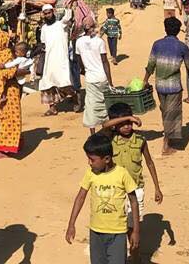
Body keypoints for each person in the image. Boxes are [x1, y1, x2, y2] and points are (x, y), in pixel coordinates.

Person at [64, 133, 140, 264]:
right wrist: (71, 224)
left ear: (106, 159)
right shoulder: (90, 174)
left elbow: (134, 202)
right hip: (96, 232)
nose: (89, 163)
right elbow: (80, 197)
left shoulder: (122, 174)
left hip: (118, 234)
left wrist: (136, 231)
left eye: (92, 160)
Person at [99, 103, 163, 237]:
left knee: (133, 227)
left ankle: (135, 255)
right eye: (123, 124)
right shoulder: (111, 139)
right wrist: (129, 117)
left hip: (136, 188)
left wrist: (157, 188)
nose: (127, 126)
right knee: (117, 223)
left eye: (129, 123)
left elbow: (149, 163)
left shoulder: (140, 140)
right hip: (115, 189)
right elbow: (105, 125)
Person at [143, 17, 189, 155]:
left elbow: (150, 65)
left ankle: (169, 138)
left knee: (165, 111)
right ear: (178, 31)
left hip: (160, 85)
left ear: (165, 29)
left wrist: (145, 81)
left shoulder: (157, 44)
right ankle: (166, 145)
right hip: (173, 86)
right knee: (172, 114)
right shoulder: (182, 47)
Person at [39, 0, 80, 116]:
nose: (47, 15)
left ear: (53, 12)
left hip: (61, 59)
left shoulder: (61, 24)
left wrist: (68, 5)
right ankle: (52, 108)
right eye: (45, 13)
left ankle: (76, 99)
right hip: (49, 61)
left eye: (49, 12)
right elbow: (43, 44)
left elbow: (68, 16)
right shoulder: (44, 29)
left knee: (64, 82)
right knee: (48, 83)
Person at [75, 21, 114, 134]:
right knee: (105, 105)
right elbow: (105, 61)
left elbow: (78, 60)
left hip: (91, 78)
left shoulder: (79, 42)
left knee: (91, 106)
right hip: (102, 77)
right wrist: (110, 82)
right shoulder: (99, 41)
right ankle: (107, 130)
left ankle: (93, 133)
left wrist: (84, 70)